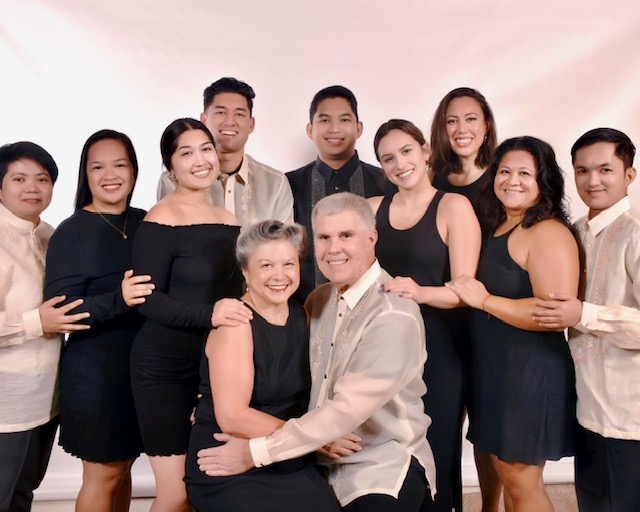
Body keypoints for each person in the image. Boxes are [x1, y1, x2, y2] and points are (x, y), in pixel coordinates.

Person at [197, 192, 436, 512]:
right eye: (324, 237)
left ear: (371, 238)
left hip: (378, 460)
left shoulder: (393, 314)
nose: (333, 248)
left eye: (346, 235)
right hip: (309, 455)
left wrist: (257, 451)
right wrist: (210, 401)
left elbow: (346, 410)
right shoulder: (318, 300)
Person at [445, 136, 579, 512]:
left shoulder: (548, 232)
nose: (512, 181)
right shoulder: (500, 226)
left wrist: (484, 300)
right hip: (496, 369)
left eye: (525, 173)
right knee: (503, 472)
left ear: (543, 181)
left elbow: (551, 315)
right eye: (504, 171)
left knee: (521, 481)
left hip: (528, 372)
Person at [184, 220, 340, 511]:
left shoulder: (302, 315)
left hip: (286, 455)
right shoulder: (235, 323)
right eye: (266, 265)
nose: (279, 276)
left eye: (288, 264)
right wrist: (316, 437)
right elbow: (233, 417)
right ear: (245, 270)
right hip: (229, 456)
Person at [130, 118, 243, 511]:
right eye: (186, 152)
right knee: (175, 493)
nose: (200, 160)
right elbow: (147, 300)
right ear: (170, 166)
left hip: (214, 369)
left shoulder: (230, 221)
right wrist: (210, 314)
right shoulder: (159, 219)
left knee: (202, 489)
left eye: (206, 149)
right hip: (164, 369)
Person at [368, 119, 481, 512]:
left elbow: (466, 291)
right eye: (388, 159)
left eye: (406, 151)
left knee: (437, 447)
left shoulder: (453, 206)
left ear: (425, 150)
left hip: (439, 347)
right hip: (383, 347)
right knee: (387, 447)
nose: (399, 163)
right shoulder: (372, 209)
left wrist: (419, 292)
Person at [44, 130, 154, 512]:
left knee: (124, 467)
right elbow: (62, 313)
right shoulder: (71, 232)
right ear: (85, 174)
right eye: (98, 167)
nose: (110, 175)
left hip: (140, 368)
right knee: (103, 474)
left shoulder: (145, 221)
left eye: (119, 165)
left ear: (134, 170)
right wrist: (119, 298)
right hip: (95, 372)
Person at [532, 128, 640, 512]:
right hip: (586, 409)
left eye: (605, 169)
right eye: (582, 170)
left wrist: (584, 313)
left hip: (629, 416)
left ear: (629, 174)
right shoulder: (576, 232)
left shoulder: (635, 233)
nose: (593, 180)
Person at [0, 142, 90, 512]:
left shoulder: (49, 235)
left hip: (46, 397)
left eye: (42, 179)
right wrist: (39, 320)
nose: (32, 188)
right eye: (19, 179)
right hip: (7, 402)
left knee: (23, 493)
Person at [429, 88, 503, 511]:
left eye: (471, 119)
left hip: (489, 313)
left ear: (486, 125)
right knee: (443, 422)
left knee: (485, 426)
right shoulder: (431, 178)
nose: (461, 129)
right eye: (452, 120)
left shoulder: (503, 178)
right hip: (442, 314)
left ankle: (489, 506)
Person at [287, 85, 396, 300]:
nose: (335, 128)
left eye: (344, 120)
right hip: (305, 309)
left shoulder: (386, 182)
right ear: (310, 129)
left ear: (359, 128)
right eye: (325, 120)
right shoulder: (289, 185)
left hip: (378, 305)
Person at [157, 77, 294, 227]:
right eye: (221, 112)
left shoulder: (276, 183)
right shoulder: (174, 180)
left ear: (251, 124)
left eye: (239, 114)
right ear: (203, 120)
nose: (230, 121)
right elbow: (168, 235)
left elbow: (285, 241)